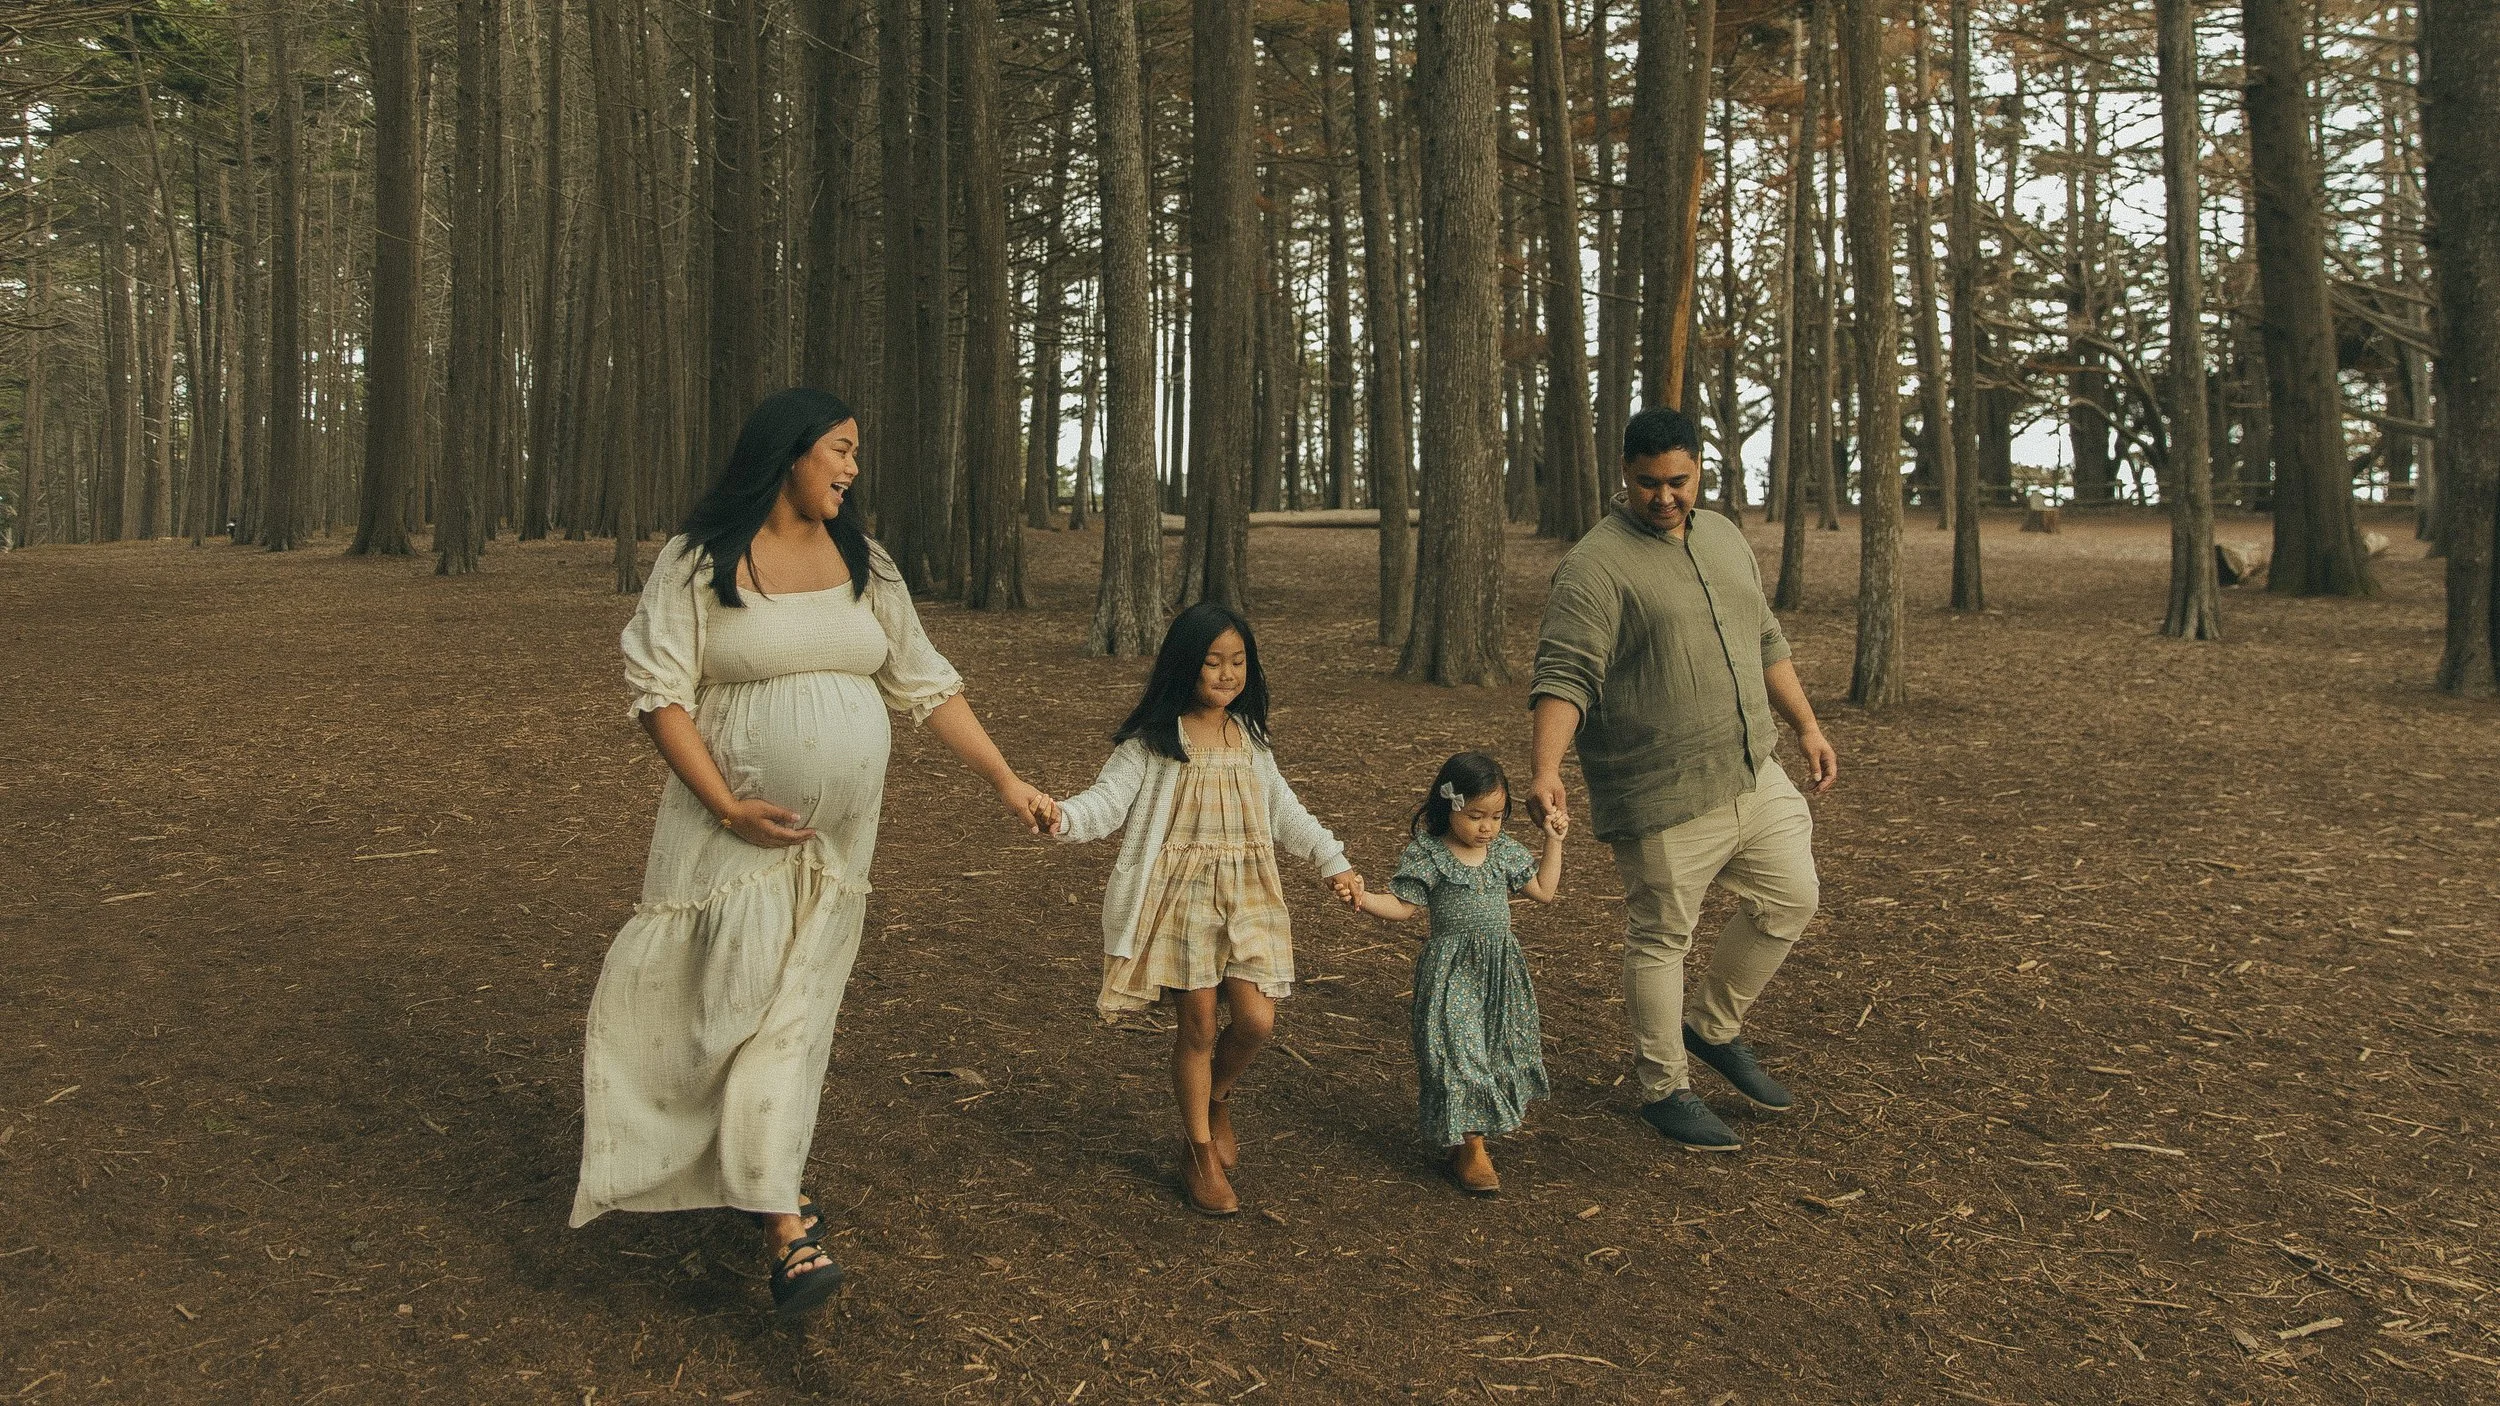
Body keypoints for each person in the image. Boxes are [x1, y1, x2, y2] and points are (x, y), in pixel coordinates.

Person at [570, 388, 1056, 1316]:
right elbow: (659, 697)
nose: (853, 469)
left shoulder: (861, 562)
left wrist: (1005, 780)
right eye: (840, 448)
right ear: (789, 451)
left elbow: (924, 682)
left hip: (835, 849)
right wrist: (726, 805)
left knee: (793, 1007)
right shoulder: (700, 560)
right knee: (731, 1001)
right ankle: (723, 1160)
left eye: (856, 452)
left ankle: (783, 1217)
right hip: (729, 836)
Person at [1526, 406, 1840, 1153]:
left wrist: (1806, 724)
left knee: (1792, 898)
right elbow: (1564, 676)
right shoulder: (1594, 567)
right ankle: (1663, 1085)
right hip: (1660, 789)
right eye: (1647, 484)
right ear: (1623, 477)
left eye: (1679, 481)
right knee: (1662, 935)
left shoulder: (1724, 534)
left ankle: (1713, 1027)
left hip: (1749, 767)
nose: (1664, 497)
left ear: (1700, 468)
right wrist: (1544, 769)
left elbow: (1764, 635)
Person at [1049, 603, 1362, 1215]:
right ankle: (1196, 1150)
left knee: (1256, 1022)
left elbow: (1285, 812)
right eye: (1212, 662)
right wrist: (1057, 816)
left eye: (1238, 661)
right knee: (1196, 1027)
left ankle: (1217, 1097)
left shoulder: (1251, 739)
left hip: (1248, 893)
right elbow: (1104, 806)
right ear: (1184, 667)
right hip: (1181, 900)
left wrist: (1334, 861)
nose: (1226, 674)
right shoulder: (1153, 742)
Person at [1344, 752, 1565, 1195]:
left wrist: (1553, 840)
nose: (1487, 827)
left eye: (1497, 816)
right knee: (1458, 1052)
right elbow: (1403, 907)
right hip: (1452, 972)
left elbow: (1543, 891)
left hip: (1500, 970)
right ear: (1448, 807)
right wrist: (1363, 898)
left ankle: (1469, 1137)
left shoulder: (1502, 852)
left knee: (1493, 1051)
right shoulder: (1429, 854)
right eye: (1475, 815)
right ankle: (1473, 1148)